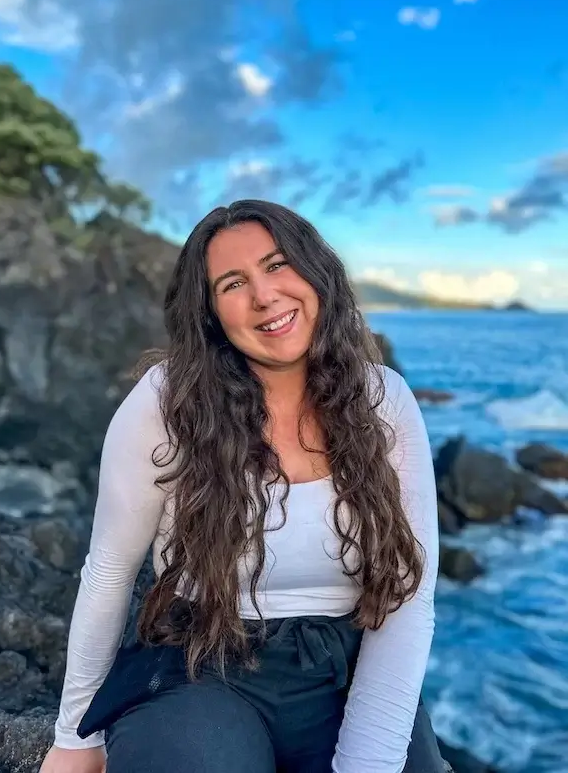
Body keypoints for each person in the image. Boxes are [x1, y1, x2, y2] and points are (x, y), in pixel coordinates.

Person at [39, 199, 443, 773]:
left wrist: (367, 764)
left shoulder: (385, 401)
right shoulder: (167, 403)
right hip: (201, 668)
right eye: (233, 283)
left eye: (278, 265)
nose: (264, 296)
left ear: (315, 271)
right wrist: (74, 741)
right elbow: (109, 572)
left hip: (344, 672)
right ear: (210, 314)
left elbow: (409, 593)